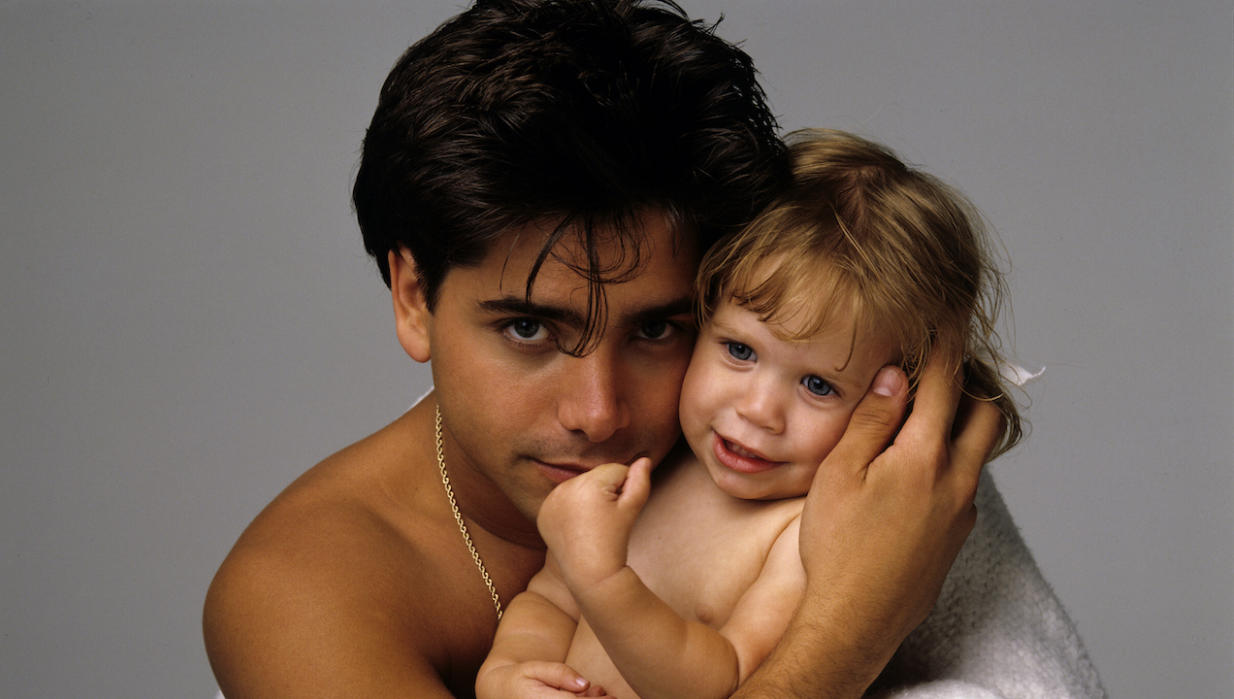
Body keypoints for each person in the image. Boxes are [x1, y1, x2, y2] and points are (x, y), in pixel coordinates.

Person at [203, 1, 1102, 697]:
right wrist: (853, 627)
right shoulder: (303, 589)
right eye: (528, 328)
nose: (600, 412)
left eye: (658, 329)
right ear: (413, 297)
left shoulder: (792, 432)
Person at [475, 128, 1023, 698]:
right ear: (701, 318)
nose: (759, 410)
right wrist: (511, 670)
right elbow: (551, 598)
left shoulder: (808, 536)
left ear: (896, 410)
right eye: (739, 351)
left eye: (818, 385)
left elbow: (724, 680)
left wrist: (606, 582)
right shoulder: (657, 460)